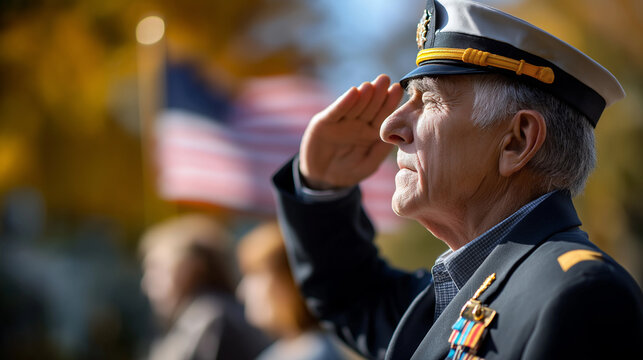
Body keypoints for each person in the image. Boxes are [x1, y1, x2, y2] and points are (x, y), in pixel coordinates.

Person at [271, 0, 643, 359]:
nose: (390, 127)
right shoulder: (468, 290)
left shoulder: (578, 294)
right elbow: (353, 299)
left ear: (517, 141)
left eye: (429, 100)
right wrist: (322, 186)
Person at [139, 213, 270, 360]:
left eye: (158, 270)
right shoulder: (203, 316)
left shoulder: (209, 320)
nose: (147, 284)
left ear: (195, 268)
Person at [236, 221, 351, 360]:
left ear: (291, 281)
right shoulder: (291, 349)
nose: (241, 291)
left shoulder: (315, 353)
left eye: (255, 274)